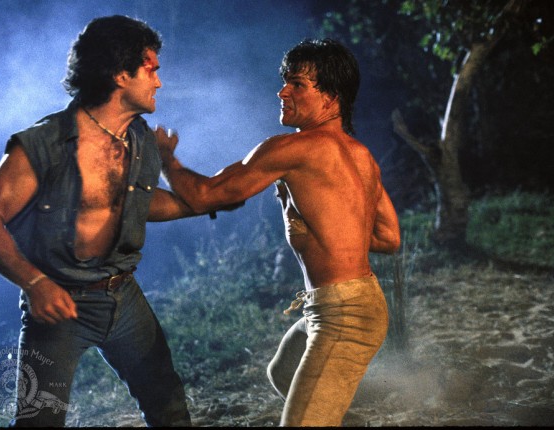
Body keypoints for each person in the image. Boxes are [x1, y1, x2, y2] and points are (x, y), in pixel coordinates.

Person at [0, 15, 208, 427]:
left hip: (123, 295)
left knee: (169, 409)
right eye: (151, 70)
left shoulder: (140, 137)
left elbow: (138, 204)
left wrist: (201, 201)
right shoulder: (45, 142)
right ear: (120, 75)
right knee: (38, 420)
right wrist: (35, 283)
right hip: (61, 302)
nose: (159, 82)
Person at [155, 38, 401, 426]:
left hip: (346, 315)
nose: (282, 92)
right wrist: (338, 225)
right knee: (282, 373)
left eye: (297, 84)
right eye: (284, 82)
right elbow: (389, 238)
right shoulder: (361, 156)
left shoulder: (293, 149)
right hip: (353, 302)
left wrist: (166, 160)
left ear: (331, 97)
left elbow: (205, 195)